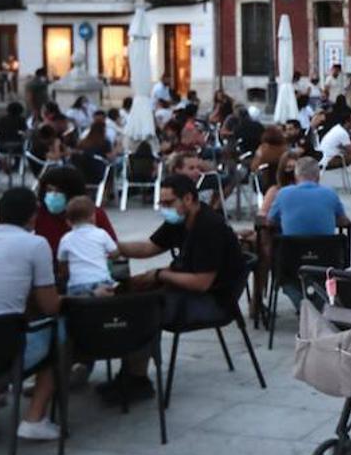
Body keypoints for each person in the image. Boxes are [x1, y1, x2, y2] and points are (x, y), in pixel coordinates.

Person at [106, 175, 246, 405]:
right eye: (161, 203)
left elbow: (202, 283)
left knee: (140, 308)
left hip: (213, 301)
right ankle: (130, 369)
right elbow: (150, 247)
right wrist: (116, 249)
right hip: (190, 289)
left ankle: (137, 378)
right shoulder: (180, 220)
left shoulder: (208, 227)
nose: (164, 209)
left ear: (188, 199)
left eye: (168, 203)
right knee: (126, 290)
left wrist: (160, 275)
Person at [0, 188, 63, 440]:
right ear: (33, 217)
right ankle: (34, 418)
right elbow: (50, 305)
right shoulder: (35, 244)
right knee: (60, 332)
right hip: (3, 345)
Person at [33, 166, 118, 261]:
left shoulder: (92, 213)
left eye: (59, 191)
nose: (53, 195)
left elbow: (112, 247)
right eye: (49, 190)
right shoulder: (39, 213)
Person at [267, 157, 350, 237]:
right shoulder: (330, 193)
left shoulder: (283, 193)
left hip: (292, 248)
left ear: (296, 175)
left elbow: (270, 220)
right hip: (324, 248)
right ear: (318, 176)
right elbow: (344, 220)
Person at [56, 196, 118, 296]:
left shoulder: (65, 239)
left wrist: (65, 274)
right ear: (93, 217)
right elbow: (115, 253)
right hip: (101, 281)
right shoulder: (101, 233)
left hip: (77, 284)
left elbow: (62, 263)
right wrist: (107, 256)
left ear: (68, 222)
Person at [318, 116, 351, 191]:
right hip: (330, 159)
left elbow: (346, 147)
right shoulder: (342, 133)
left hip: (326, 157)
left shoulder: (337, 129)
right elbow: (350, 150)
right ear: (347, 122)